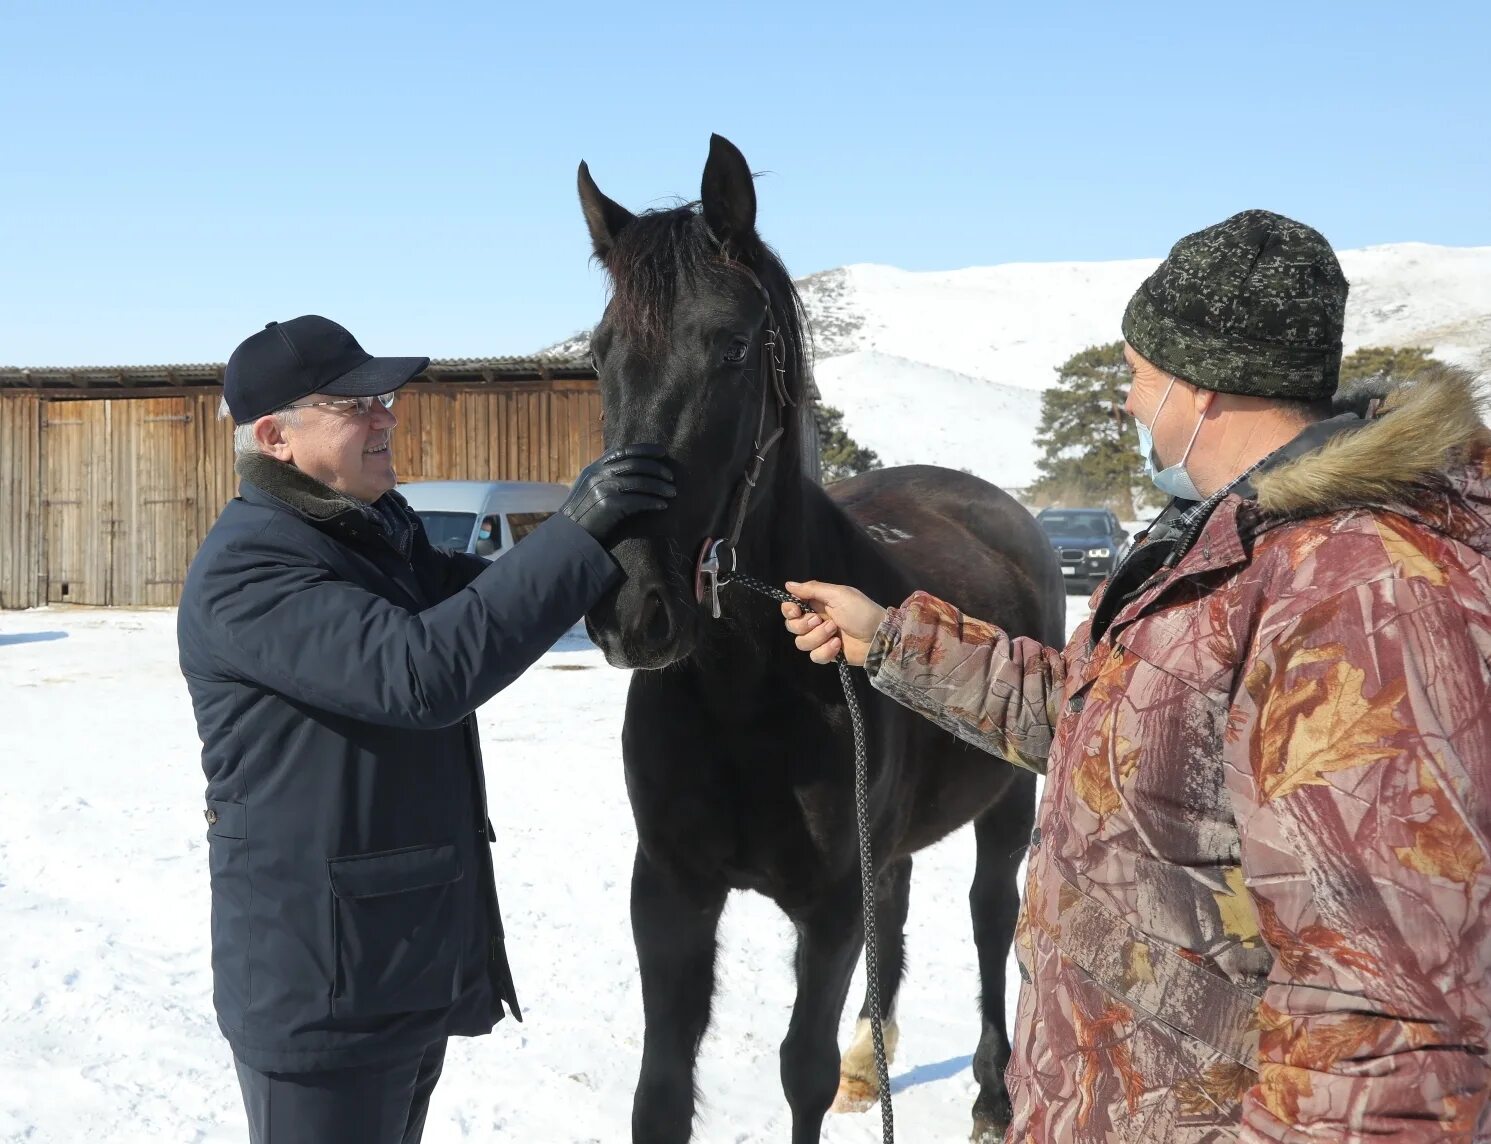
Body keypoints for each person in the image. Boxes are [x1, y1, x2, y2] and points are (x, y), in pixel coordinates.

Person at [782, 211, 1491, 1141]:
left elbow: (1385, 1031)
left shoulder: (1361, 601)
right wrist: (891, 642)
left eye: (1136, 377)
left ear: (1199, 390)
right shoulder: (1236, 543)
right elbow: (1103, 725)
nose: (1126, 403)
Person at [177, 314, 675, 1144]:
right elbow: (421, 674)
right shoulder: (252, 566)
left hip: (389, 965)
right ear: (275, 437)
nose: (385, 417)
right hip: (320, 985)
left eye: (385, 399)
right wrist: (577, 528)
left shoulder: (374, 535)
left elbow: (500, 596)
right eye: (353, 404)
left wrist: (649, 571)